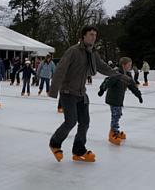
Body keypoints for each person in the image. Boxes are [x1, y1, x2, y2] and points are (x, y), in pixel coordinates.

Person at [48, 25, 134, 163]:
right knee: (71, 121)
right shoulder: (73, 51)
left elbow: (104, 67)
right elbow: (60, 69)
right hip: (68, 92)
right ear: (83, 36)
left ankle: (78, 150)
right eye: (91, 34)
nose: (94, 37)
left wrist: (122, 77)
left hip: (81, 93)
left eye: (95, 35)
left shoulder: (93, 53)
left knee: (85, 122)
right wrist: (53, 91)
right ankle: (55, 143)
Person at [98, 57, 143, 145]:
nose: (130, 67)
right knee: (116, 115)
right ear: (123, 65)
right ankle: (113, 133)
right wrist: (102, 90)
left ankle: (116, 130)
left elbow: (132, 86)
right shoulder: (116, 73)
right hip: (113, 98)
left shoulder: (128, 75)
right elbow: (108, 81)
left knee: (118, 114)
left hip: (119, 99)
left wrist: (139, 95)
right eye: (129, 65)